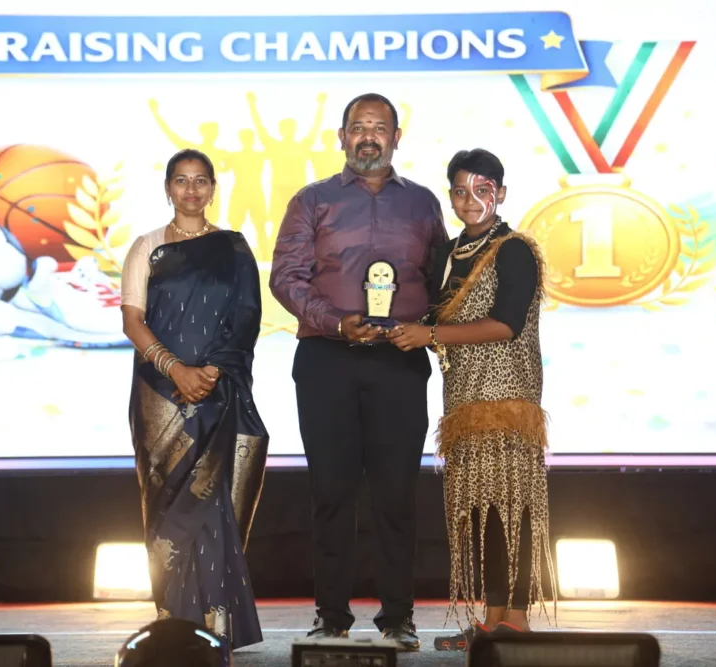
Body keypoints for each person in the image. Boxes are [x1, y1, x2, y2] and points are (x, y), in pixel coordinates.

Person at [270, 93, 448, 651]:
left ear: (397, 137)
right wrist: (335, 322)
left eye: (379, 127)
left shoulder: (423, 204)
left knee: (397, 494)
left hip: (399, 360)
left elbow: (442, 282)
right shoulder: (311, 200)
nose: (368, 136)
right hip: (328, 359)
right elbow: (285, 277)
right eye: (358, 127)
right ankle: (331, 617)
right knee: (332, 492)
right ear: (342, 137)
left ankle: (398, 618)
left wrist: (422, 325)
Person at [387, 148, 557, 649]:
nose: (470, 199)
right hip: (462, 399)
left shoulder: (514, 249)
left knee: (512, 508)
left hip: (507, 398)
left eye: (482, 190)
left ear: (500, 193)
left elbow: (506, 324)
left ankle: (517, 620)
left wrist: (429, 334)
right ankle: (491, 619)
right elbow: (430, 316)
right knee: (481, 513)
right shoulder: (449, 253)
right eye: (461, 191)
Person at [121, 149, 269, 652]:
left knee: (210, 507)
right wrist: (176, 370)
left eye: (200, 180)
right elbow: (133, 321)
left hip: (217, 392)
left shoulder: (234, 248)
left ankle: (214, 628)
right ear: (168, 188)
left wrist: (211, 372)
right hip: (159, 396)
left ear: (212, 188)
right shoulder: (147, 247)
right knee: (167, 510)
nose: (190, 190)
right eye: (181, 181)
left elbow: (246, 318)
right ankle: (172, 626)